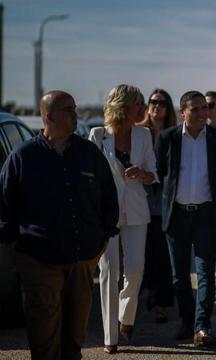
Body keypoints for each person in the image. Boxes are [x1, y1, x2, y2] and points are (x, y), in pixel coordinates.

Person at [0, 90, 119, 360]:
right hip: (38, 260)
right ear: (49, 116)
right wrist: (18, 252)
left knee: (74, 336)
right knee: (43, 335)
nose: (76, 115)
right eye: (69, 110)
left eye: (75, 109)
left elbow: (108, 198)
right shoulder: (23, 157)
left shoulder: (89, 154)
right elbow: (5, 206)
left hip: (81, 260)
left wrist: (101, 241)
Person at [156, 90, 216, 347]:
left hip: (206, 216)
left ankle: (202, 326)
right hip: (176, 215)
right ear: (182, 112)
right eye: (196, 109)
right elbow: (161, 174)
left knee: (205, 273)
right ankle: (187, 322)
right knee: (179, 276)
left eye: (205, 108)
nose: (202, 113)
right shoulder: (168, 138)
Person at [89, 84, 158, 354]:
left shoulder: (144, 135)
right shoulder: (97, 135)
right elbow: (90, 175)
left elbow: (154, 173)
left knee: (135, 269)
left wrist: (142, 174)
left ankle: (126, 317)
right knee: (109, 272)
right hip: (106, 212)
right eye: (138, 104)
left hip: (137, 209)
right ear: (123, 106)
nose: (143, 109)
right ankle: (111, 336)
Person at [138, 89, 177, 324]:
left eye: (162, 102)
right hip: (139, 199)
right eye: (153, 101)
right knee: (144, 253)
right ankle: (147, 294)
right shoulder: (139, 132)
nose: (157, 106)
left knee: (163, 254)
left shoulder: (173, 134)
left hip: (164, 201)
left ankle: (162, 303)